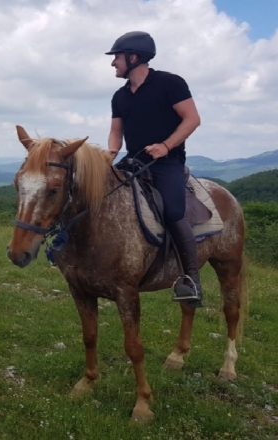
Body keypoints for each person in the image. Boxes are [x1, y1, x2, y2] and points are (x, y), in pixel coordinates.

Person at [106, 31, 204, 308]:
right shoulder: (120, 96)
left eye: (117, 57)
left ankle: (192, 280)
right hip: (134, 162)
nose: (113, 63)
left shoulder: (170, 83)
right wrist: (110, 154)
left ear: (133, 57)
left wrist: (166, 145)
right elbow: (116, 131)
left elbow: (192, 119)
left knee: (174, 211)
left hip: (167, 162)